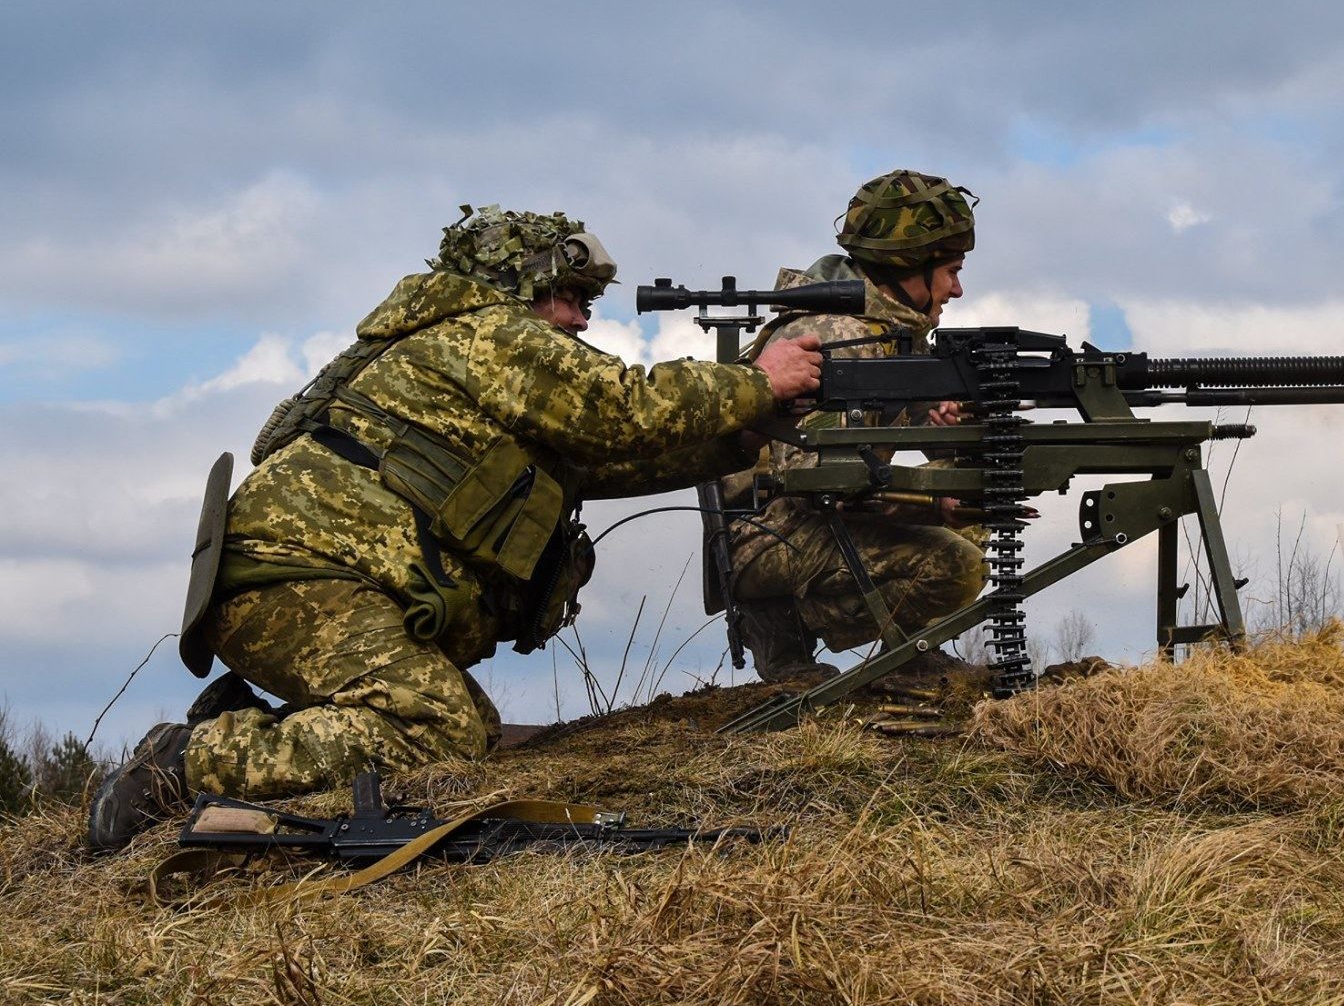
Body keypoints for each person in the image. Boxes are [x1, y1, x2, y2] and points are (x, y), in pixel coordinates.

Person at [88, 205, 823, 852]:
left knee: (467, 722)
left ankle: (249, 725)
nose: (581, 318)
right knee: (436, 730)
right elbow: (622, 408)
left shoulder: (477, 357)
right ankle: (185, 763)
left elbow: (613, 457)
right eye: (567, 296)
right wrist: (758, 379)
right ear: (518, 287)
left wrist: (744, 430)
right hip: (298, 576)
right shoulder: (486, 336)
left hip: (306, 581)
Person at [718, 171, 989, 684]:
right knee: (957, 563)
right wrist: (932, 501)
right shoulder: (834, 336)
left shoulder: (887, 332)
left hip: (804, 524)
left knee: (974, 498)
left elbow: (924, 442)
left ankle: (907, 647)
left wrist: (958, 430)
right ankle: (788, 624)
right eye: (951, 270)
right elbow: (815, 479)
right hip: (769, 533)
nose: (957, 288)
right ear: (911, 266)